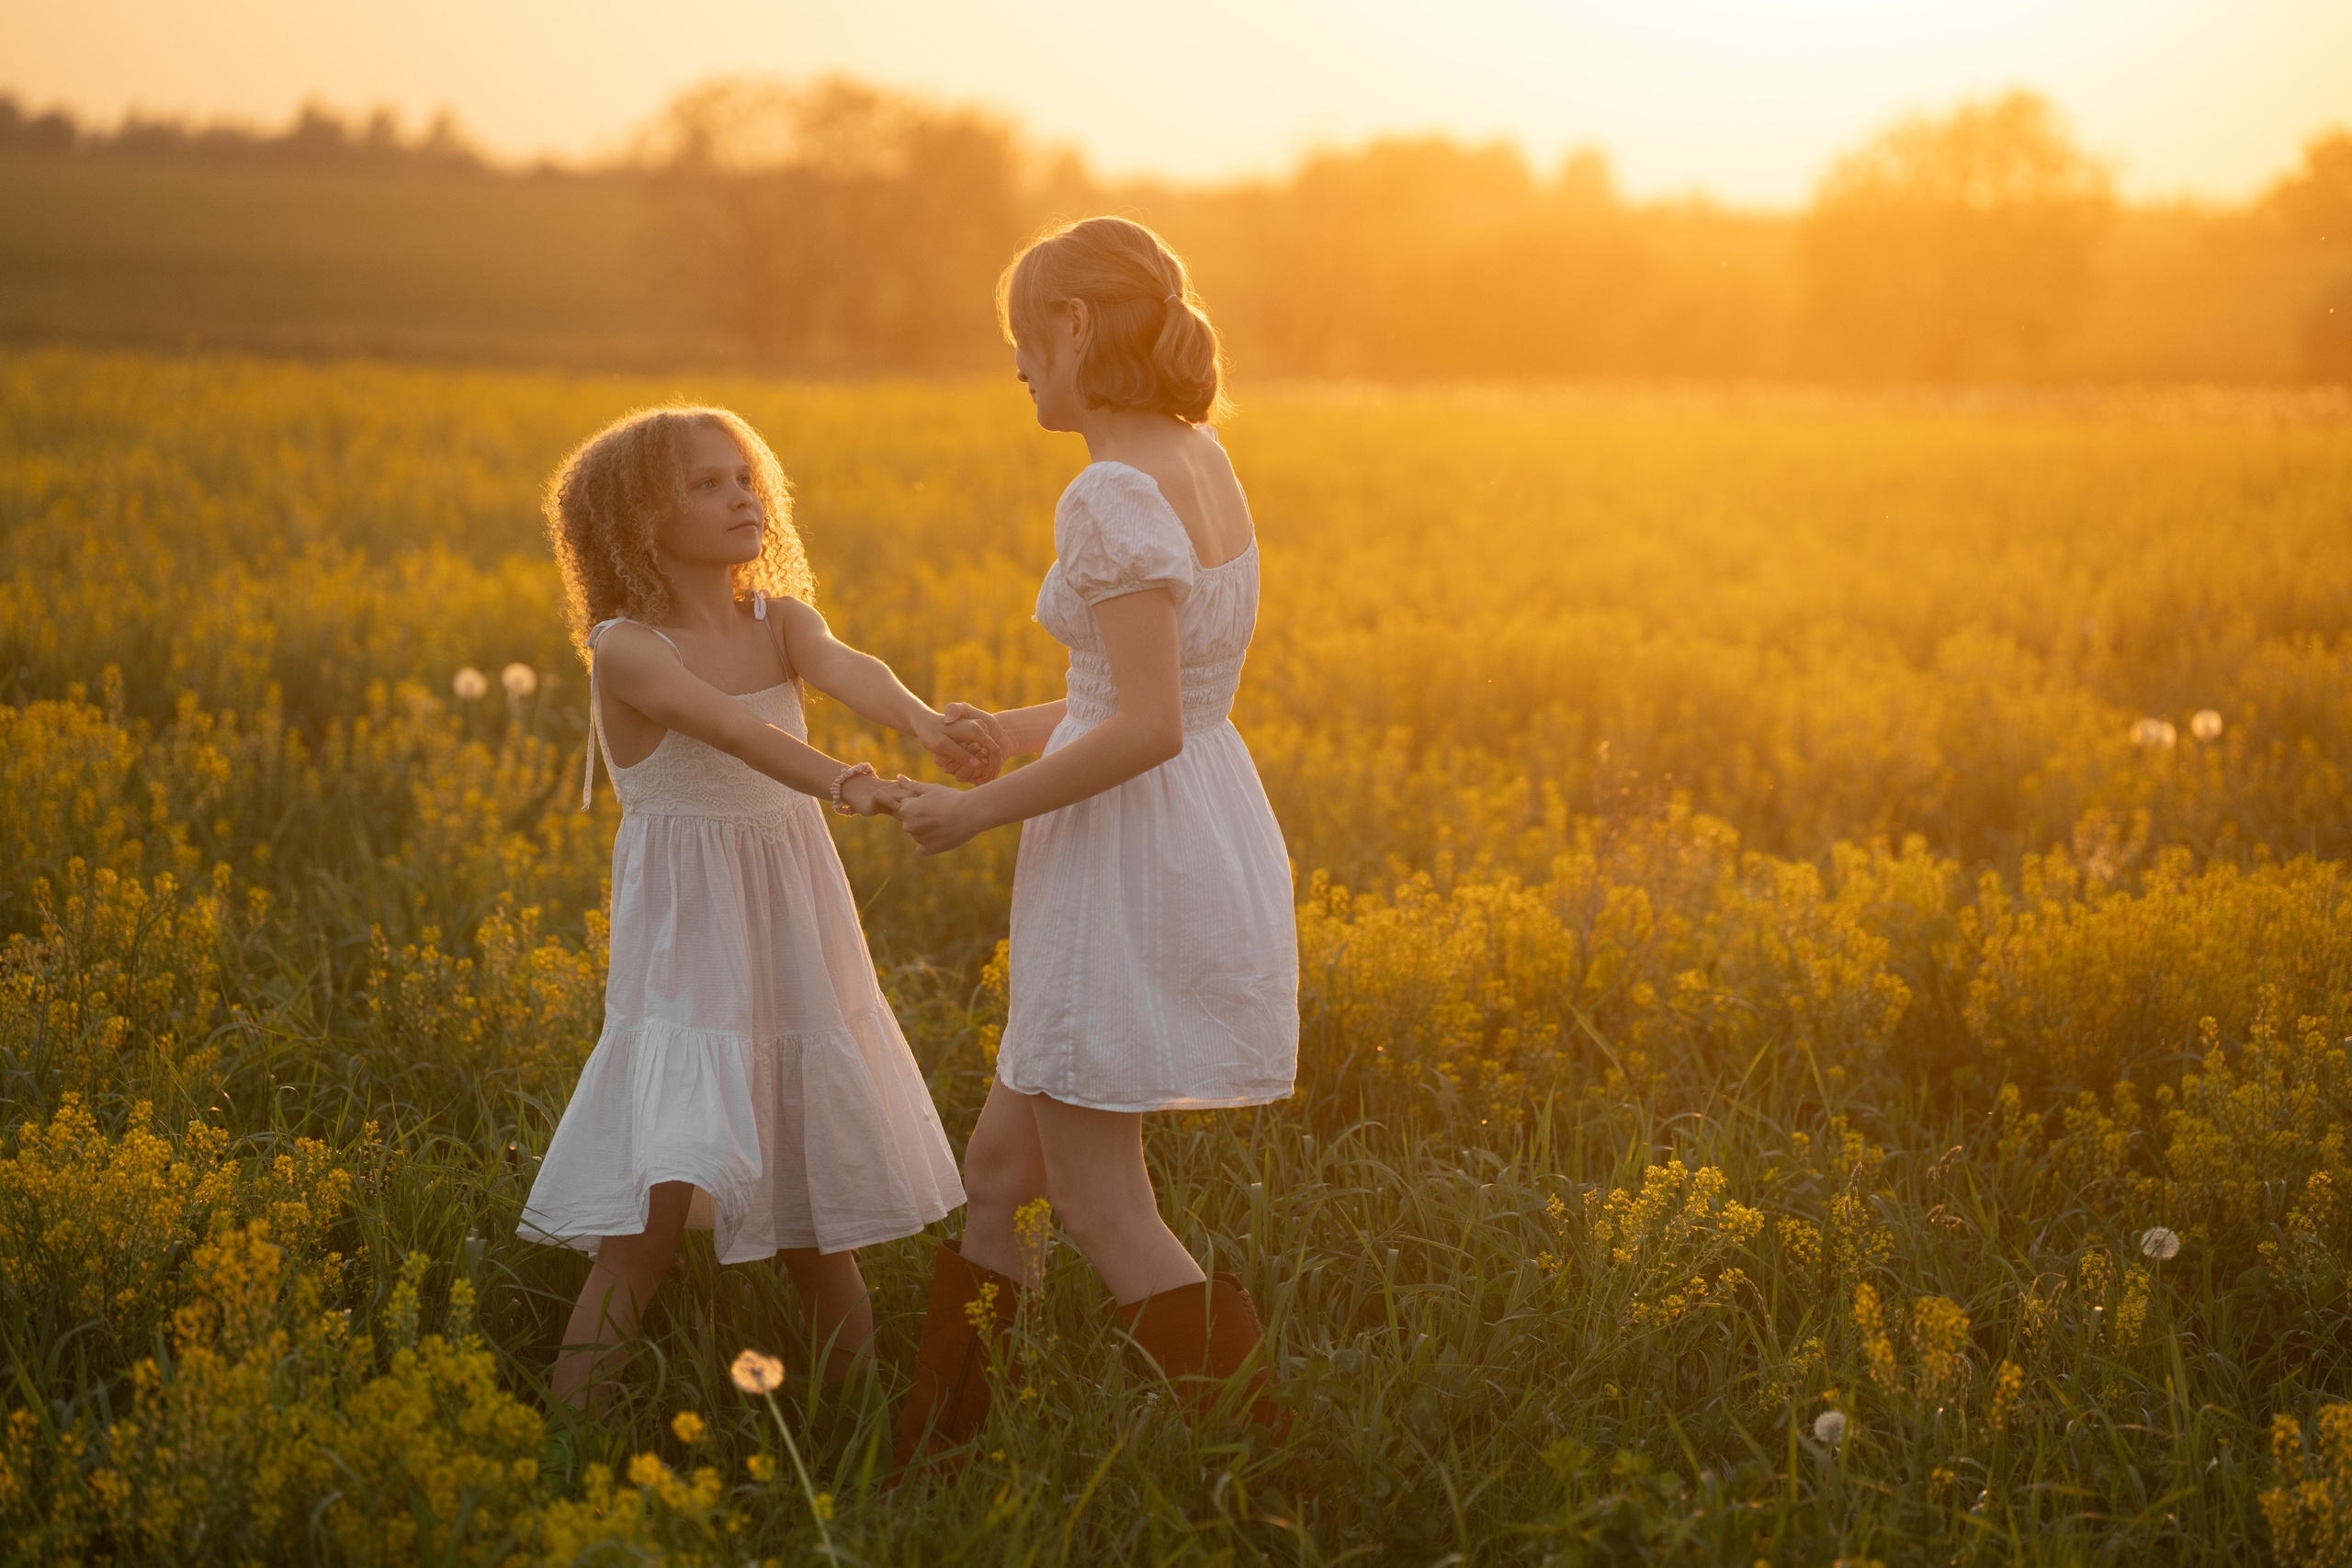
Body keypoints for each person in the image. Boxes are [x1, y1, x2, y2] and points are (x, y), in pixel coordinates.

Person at [892, 218, 1300, 1463]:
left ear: (1073, 328)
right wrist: (1007, 735)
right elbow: (1146, 693)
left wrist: (971, 810)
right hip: (1189, 826)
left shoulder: (1110, 488)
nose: (1018, 365)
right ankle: (936, 1451)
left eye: (1024, 337)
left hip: (1120, 852)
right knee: (1001, 1161)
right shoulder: (1198, 456)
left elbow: (1147, 723)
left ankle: (1267, 1475)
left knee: (1098, 1196)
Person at [519, 404, 993, 1409]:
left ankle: (858, 1428)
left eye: (745, 476)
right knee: (641, 1237)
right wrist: (848, 782)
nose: (742, 495)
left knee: (816, 1222)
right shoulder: (627, 648)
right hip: (693, 950)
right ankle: (570, 1439)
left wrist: (920, 721)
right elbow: (728, 732)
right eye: (705, 482)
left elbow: (845, 668)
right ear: (639, 520)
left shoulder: (782, 620)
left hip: (792, 931)